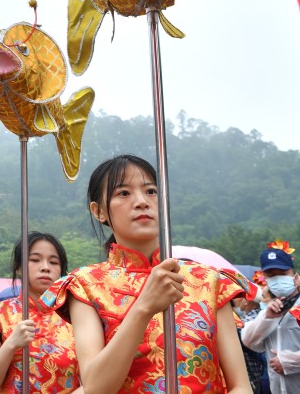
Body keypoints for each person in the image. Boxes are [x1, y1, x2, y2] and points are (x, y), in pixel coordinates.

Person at [52, 154, 248, 393]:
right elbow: (95, 387)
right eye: (123, 193)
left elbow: (240, 385)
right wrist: (144, 307)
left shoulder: (209, 280)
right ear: (99, 211)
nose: (141, 201)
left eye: (151, 191)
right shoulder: (85, 285)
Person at [0, 232, 80, 394]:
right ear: (18, 267)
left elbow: (93, 380)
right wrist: (10, 345)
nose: (45, 267)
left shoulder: (76, 317)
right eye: (35, 260)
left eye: (53, 262)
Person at [241, 242, 300, 393]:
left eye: (283, 273)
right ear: (265, 279)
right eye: (271, 275)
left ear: (295, 276)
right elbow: (249, 341)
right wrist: (268, 317)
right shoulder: (269, 311)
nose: (278, 279)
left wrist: (289, 362)